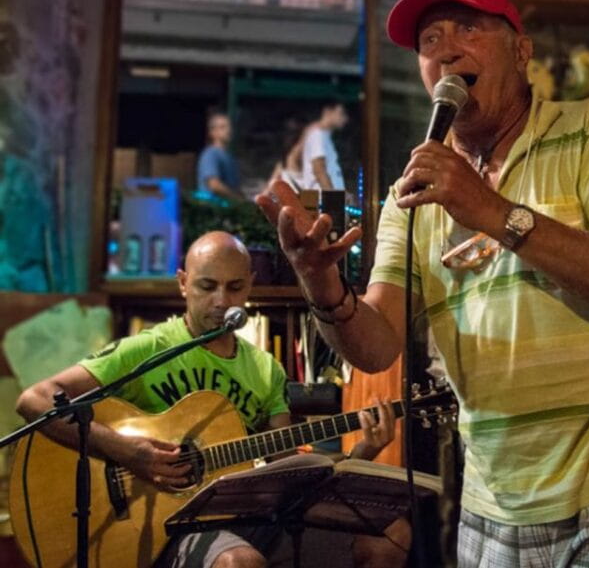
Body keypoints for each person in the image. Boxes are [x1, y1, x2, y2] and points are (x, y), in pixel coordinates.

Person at [257, 0, 589, 567]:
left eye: (467, 28)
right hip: (496, 492)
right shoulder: (409, 197)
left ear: (521, 51)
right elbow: (375, 345)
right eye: (429, 40)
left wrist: (489, 210)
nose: (445, 50)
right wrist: (320, 283)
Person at [15, 231, 397, 568]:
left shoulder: (266, 370)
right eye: (207, 286)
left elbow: (290, 475)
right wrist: (129, 452)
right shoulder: (148, 349)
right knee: (238, 562)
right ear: (183, 283)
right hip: (167, 523)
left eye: (235, 287)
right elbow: (34, 400)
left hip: (244, 517)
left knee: (386, 541)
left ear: (250, 285)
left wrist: (361, 452)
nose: (221, 300)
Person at [299, 100, 348, 192]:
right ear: (328, 112)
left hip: (322, 197)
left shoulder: (323, 136)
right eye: (341, 113)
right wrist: (333, 197)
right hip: (321, 198)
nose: (345, 119)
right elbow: (319, 170)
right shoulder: (318, 135)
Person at [197, 112, 244, 201]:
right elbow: (214, 185)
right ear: (212, 132)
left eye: (229, 126)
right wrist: (237, 198)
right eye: (223, 127)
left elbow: (235, 187)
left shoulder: (231, 157)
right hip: (213, 207)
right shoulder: (210, 154)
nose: (228, 130)